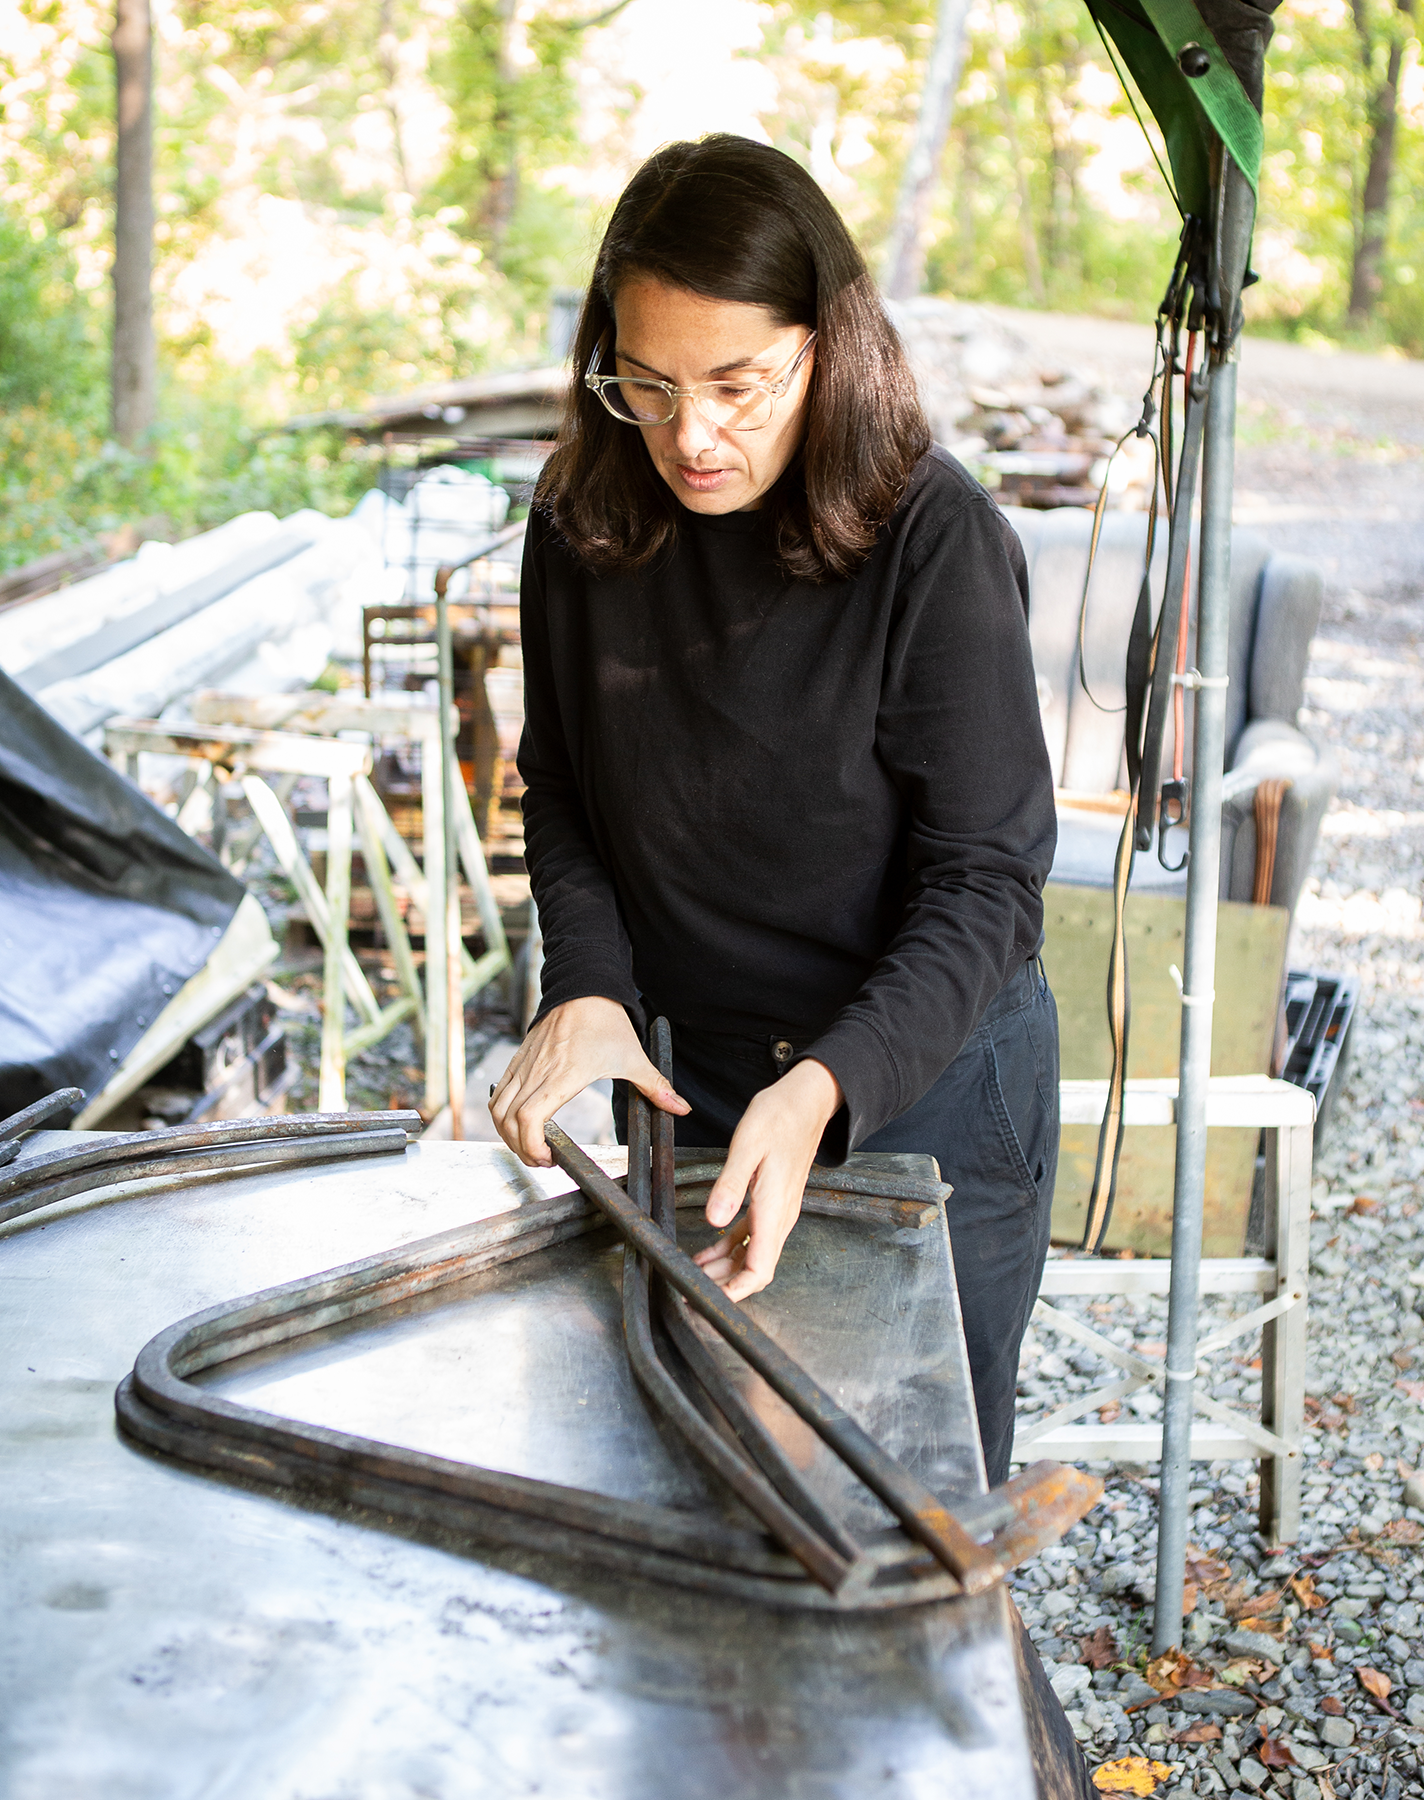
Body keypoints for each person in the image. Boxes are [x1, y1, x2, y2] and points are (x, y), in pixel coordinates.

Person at [490, 133, 1058, 1488]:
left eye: (738, 385)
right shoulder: (582, 520)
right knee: (696, 1473)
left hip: (919, 1078)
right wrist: (591, 985)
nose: (691, 436)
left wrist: (826, 1087)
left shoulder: (933, 539)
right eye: (646, 384)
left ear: (826, 348)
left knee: (902, 1490)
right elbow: (561, 786)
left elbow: (986, 881)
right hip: (691, 1077)